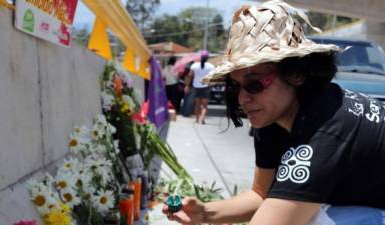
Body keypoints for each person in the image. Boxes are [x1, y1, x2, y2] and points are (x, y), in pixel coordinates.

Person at [163, 1, 385, 225]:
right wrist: (206, 213)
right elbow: (262, 194)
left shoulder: (325, 132)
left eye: (255, 84)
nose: (242, 99)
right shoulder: (274, 118)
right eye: (235, 87)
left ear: (297, 73)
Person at [185, 50, 215, 124]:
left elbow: (189, 76)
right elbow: (213, 78)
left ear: (200, 57)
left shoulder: (194, 65)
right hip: (206, 87)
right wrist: (212, 84)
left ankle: (197, 119)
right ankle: (202, 118)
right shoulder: (211, 66)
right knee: (204, 105)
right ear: (207, 57)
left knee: (197, 104)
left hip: (196, 87)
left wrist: (187, 86)